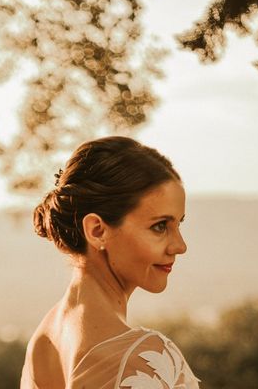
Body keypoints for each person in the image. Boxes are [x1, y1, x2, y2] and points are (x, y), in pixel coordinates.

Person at [20, 136, 200, 388]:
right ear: (97, 230)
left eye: (178, 224)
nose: (180, 246)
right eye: (160, 226)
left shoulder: (44, 341)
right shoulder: (144, 357)